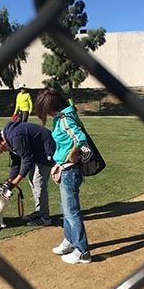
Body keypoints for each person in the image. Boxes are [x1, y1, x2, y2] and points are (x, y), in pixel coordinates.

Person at [34, 87, 92, 264]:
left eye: (46, 110)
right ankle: (69, 240)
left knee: (71, 211)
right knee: (65, 208)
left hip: (70, 171)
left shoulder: (65, 119)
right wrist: (58, 164)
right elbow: (65, 143)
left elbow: (80, 138)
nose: (46, 114)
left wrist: (73, 153)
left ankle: (83, 251)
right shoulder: (62, 117)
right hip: (65, 168)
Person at [0, 120, 55, 226]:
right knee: (33, 181)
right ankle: (40, 211)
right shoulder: (8, 139)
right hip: (36, 152)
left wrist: (16, 181)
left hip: (45, 151)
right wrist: (11, 180)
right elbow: (16, 162)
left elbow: (26, 160)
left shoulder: (15, 137)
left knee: (38, 183)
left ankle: (45, 218)